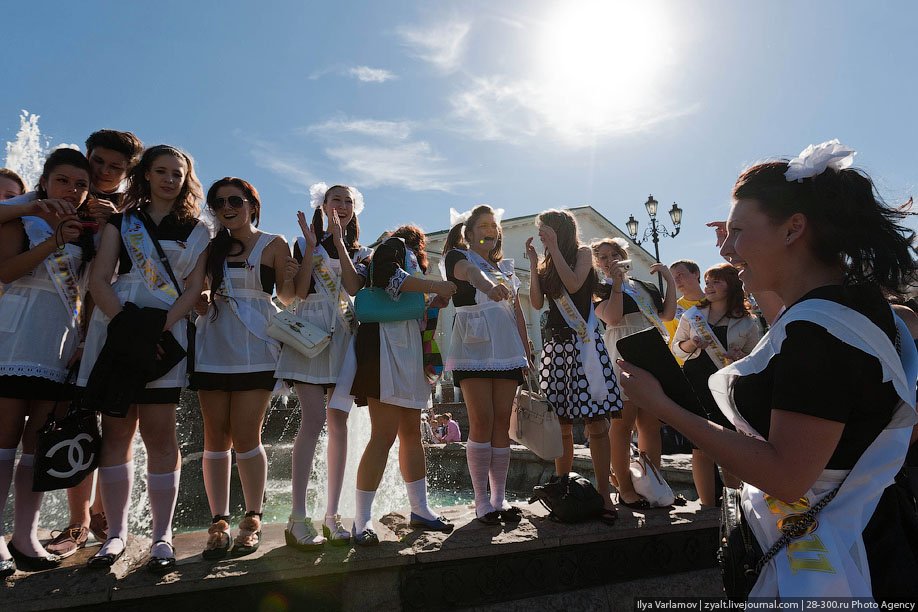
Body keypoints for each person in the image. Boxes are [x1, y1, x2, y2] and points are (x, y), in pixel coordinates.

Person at [618, 140, 917, 599]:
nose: (728, 249)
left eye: (738, 232)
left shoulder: (818, 336)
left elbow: (786, 476)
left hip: (832, 562)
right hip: (870, 529)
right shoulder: (856, 309)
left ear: (794, 229)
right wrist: (750, 250)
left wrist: (661, 406)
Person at [79, 145, 210, 574]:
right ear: (147, 175)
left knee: (160, 436)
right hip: (119, 329)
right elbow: (100, 278)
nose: (170, 179)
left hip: (166, 333)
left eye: (178, 173)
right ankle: (116, 533)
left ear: (186, 179)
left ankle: (162, 535)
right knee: (116, 433)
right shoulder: (123, 221)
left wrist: (158, 329)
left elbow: (193, 289)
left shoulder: (197, 231)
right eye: (161, 171)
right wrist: (125, 330)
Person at [44, 130, 144, 560]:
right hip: (64, 330)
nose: (104, 172)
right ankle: (78, 520)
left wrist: (112, 225)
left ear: (127, 173)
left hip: (113, 328)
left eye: (115, 167)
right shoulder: (61, 198)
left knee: (120, 424)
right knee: (74, 422)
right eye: (98, 162)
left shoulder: (134, 212)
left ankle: (106, 514)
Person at [0, 149, 96, 574]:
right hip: (16, 341)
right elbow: (7, 272)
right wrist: (53, 237)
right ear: (45, 180)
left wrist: (85, 337)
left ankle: (24, 534)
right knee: (4, 441)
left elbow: (90, 291)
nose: (71, 191)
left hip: (58, 342)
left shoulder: (88, 228)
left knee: (37, 444)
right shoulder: (21, 220)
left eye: (80, 184)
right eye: (63, 181)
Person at [191, 177, 296, 559]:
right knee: (215, 436)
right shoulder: (208, 244)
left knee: (246, 433)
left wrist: (292, 271)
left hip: (257, 346)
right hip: (214, 342)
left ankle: (252, 517)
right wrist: (202, 296)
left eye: (235, 200)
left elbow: (286, 297)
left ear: (252, 203)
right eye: (218, 202)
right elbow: (199, 287)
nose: (227, 207)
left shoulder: (274, 242)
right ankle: (218, 520)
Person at [275, 183, 371, 550]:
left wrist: (339, 242)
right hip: (309, 335)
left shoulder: (362, 251)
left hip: (343, 336)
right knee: (313, 420)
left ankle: (332, 515)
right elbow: (297, 293)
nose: (342, 206)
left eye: (348, 201)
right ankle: (298, 517)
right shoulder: (303, 244)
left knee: (340, 423)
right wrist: (313, 247)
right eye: (336, 200)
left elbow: (353, 286)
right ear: (322, 204)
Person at [350, 225, 458, 545]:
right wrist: (434, 284)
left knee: (411, 432)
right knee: (383, 435)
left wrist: (433, 300)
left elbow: (410, 307)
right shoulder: (393, 246)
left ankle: (420, 509)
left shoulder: (413, 264)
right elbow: (387, 277)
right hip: (384, 345)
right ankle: (362, 519)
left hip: (407, 346)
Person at [527, 210, 623, 524]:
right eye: (542, 232)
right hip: (556, 347)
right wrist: (532, 265)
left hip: (583, 345)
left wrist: (553, 249)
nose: (543, 235)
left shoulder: (582, 253)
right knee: (562, 425)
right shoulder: (545, 261)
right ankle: (563, 492)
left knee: (596, 424)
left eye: (546, 231)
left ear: (560, 230)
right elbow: (538, 303)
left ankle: (605, 496)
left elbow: (573, 282)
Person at [441, 205, 530, 524]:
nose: (490, 230)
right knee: (481, 420)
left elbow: (517, 311)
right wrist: (489, 286)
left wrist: (525, 349)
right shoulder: (456, 258)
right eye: (483, 225)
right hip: (473, 346)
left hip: (507, 347)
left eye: (494, 225)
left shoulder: (506, 266)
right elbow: (470, 274)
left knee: (501, 422)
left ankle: (499, 498)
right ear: (470, 231)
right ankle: (481, 501)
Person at [592, 237, 675, 509]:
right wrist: (616, 284)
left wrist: (670, 280)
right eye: (602, 257)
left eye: (612, 254)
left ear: (623, 255)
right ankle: (625, 487)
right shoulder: (597, 288)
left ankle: (652, 483)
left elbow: (666, 315)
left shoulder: (644, 286)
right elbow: (613, 318)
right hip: (622, 349)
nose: (608, 260)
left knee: (650, 425)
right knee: (623, 424)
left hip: (650, 350)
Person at [671, 263, 762, 506]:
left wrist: (739, 356)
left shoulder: (747, 322)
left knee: (729, 444)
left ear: (732, 285)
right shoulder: (692, 316)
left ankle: (733, 504)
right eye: (708, 282)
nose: (709, 287)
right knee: (699, 444)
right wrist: (692, 344)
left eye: (716, 282)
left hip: (727, 387)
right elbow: (676, 349)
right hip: (696, 384)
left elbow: (757, 357)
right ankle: (706, 504)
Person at [664, 260, 705, 364]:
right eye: (673, 278)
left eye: (680, 275)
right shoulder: (672, 309)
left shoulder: (716, 302)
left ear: (696, 273)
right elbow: (672, 344)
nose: (676, 281)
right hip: (688, 367)